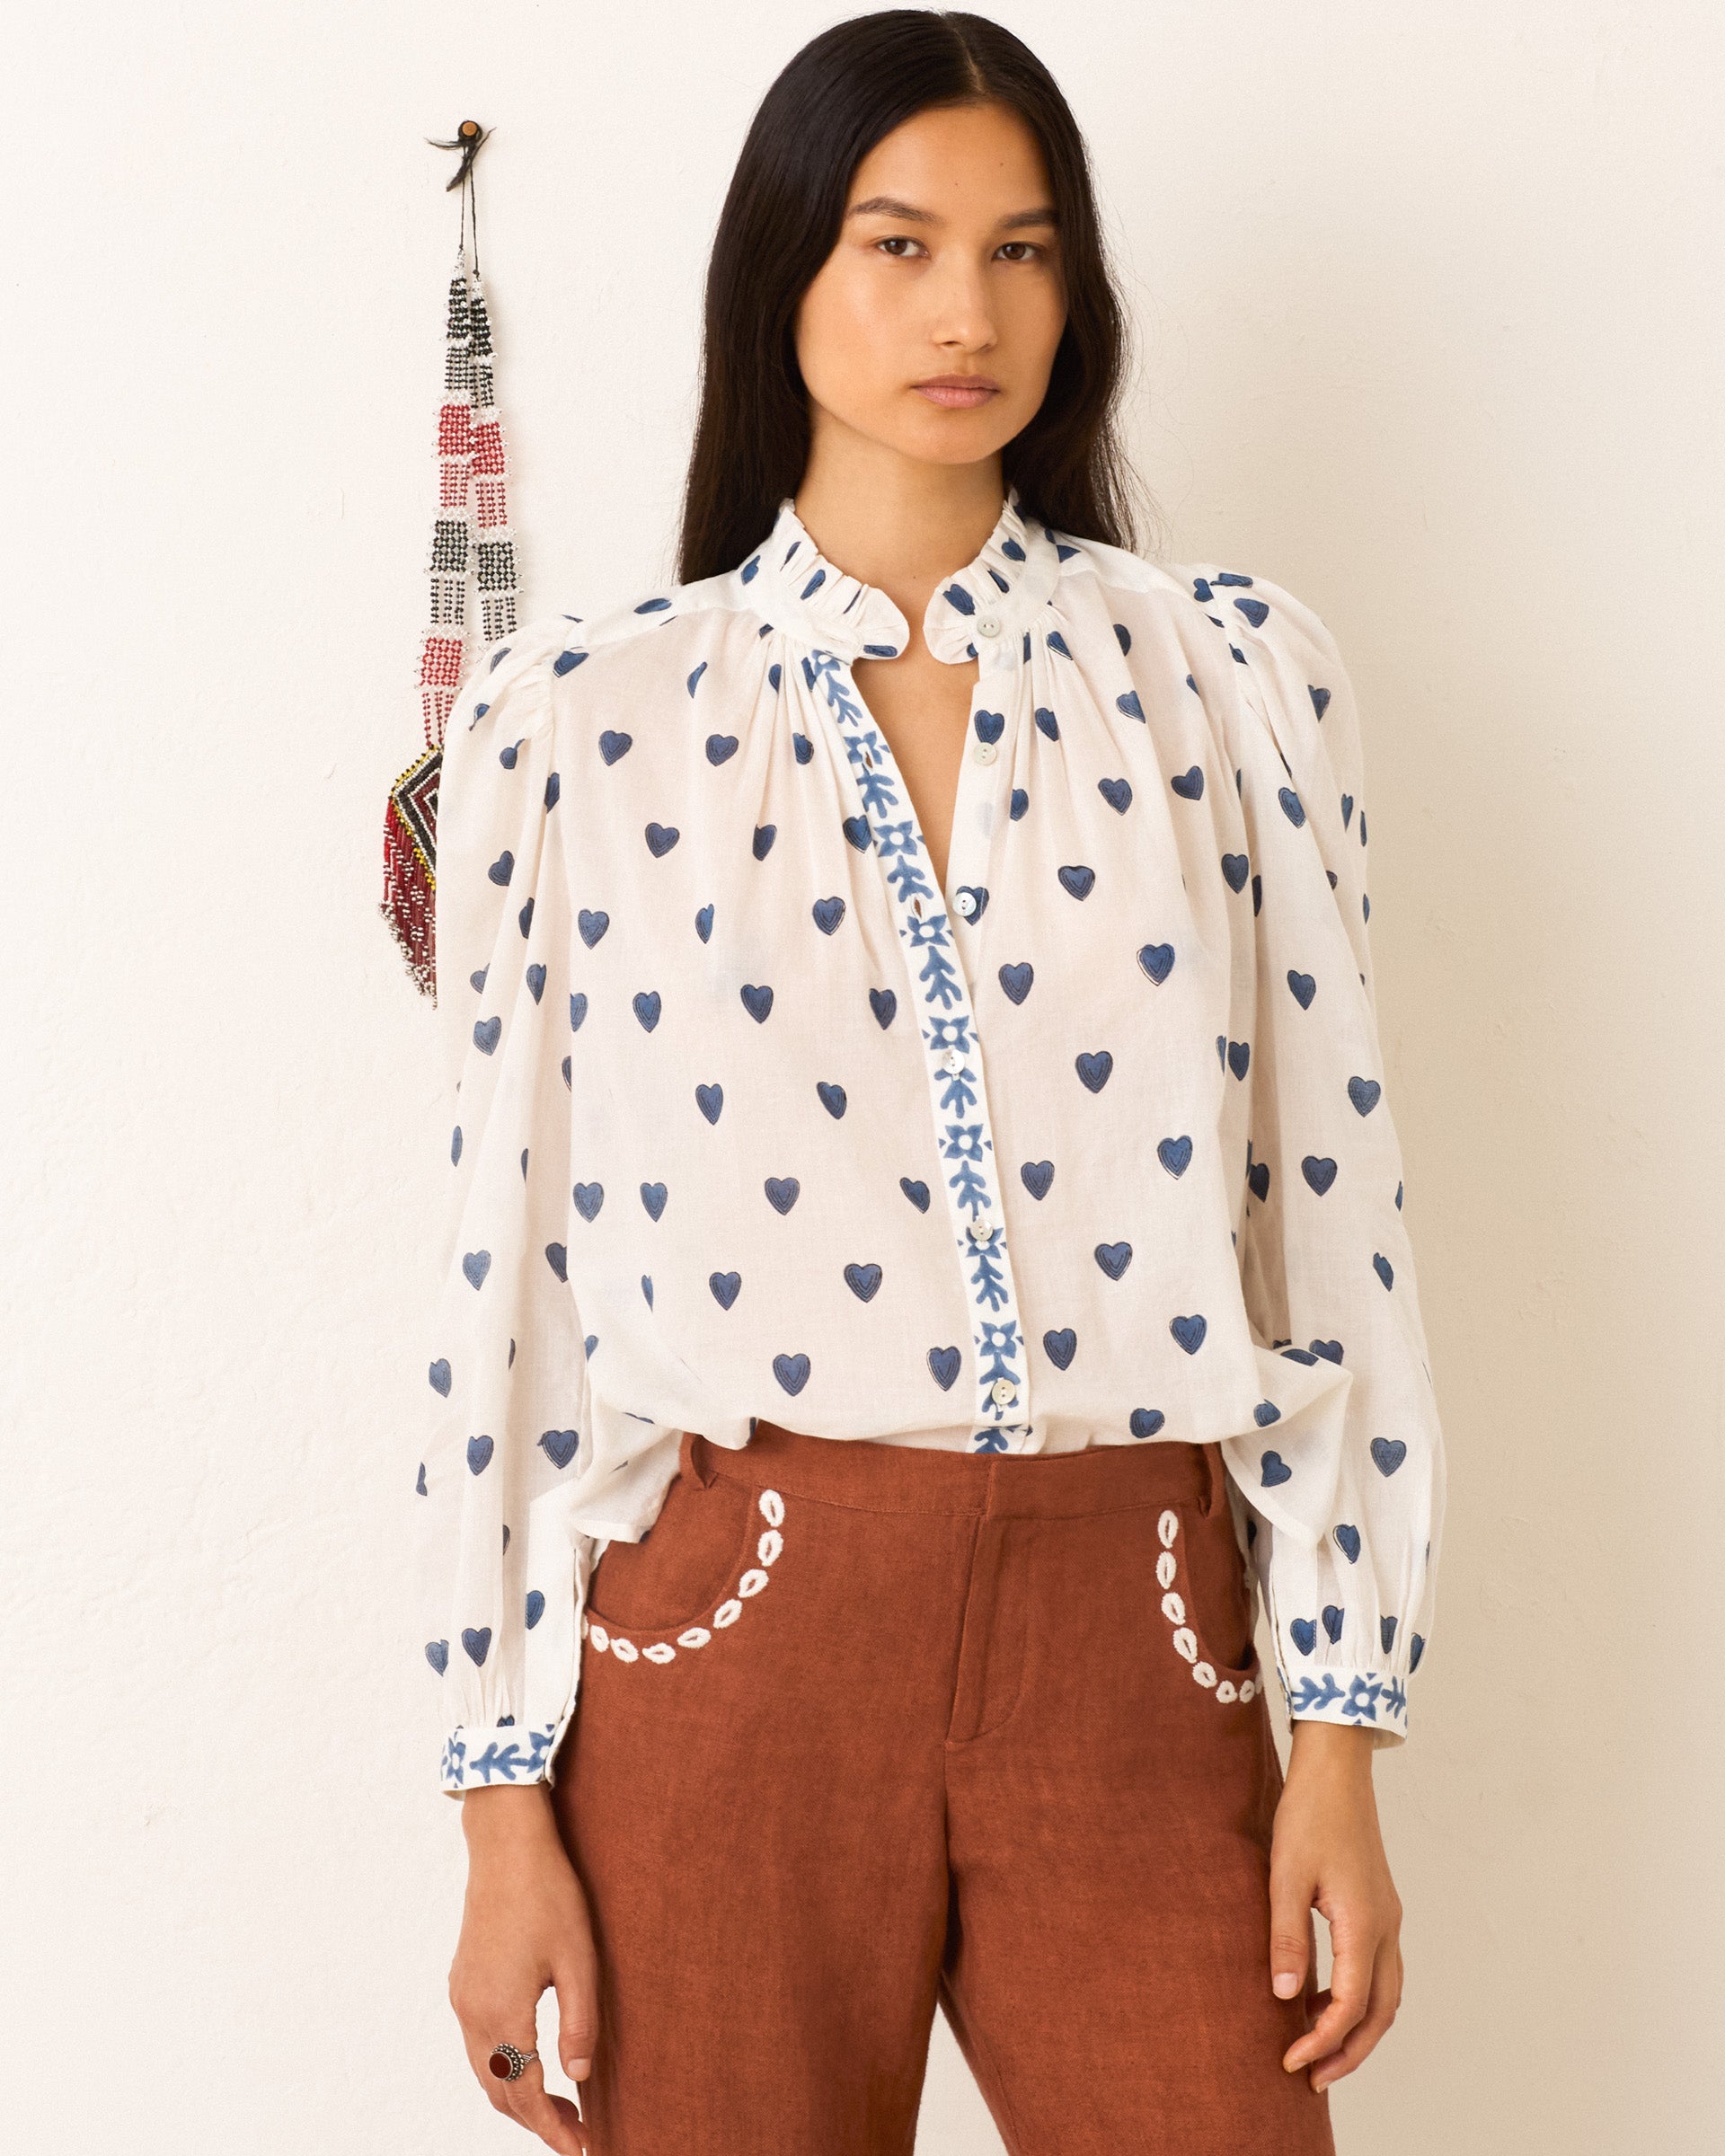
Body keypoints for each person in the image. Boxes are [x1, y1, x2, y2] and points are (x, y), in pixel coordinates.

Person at [413, 13, 1446, 2153]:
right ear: (783, 271)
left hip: (1136, 1626)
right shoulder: (587, 718)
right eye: (897, 244)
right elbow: (506, 1272)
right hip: (736, 1636)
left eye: (1020, 250)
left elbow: (1329, 1214)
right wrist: (502, 1809)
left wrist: (1341, 1731)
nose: (966, 313)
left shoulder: (1229, 682)